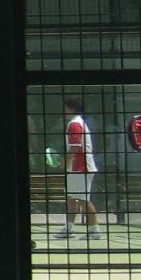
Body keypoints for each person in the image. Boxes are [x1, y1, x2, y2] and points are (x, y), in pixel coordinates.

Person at [53, 97, 98, 240]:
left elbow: (75, 147)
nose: (64, 111)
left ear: (71, 109)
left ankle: (94, 230)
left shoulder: (75, 124)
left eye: (65, 108)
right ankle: (69, 228)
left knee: (84, 199)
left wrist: (63, 161)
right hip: (75, 168)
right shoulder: (76, 123)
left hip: (81, 167)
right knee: (72, 198)